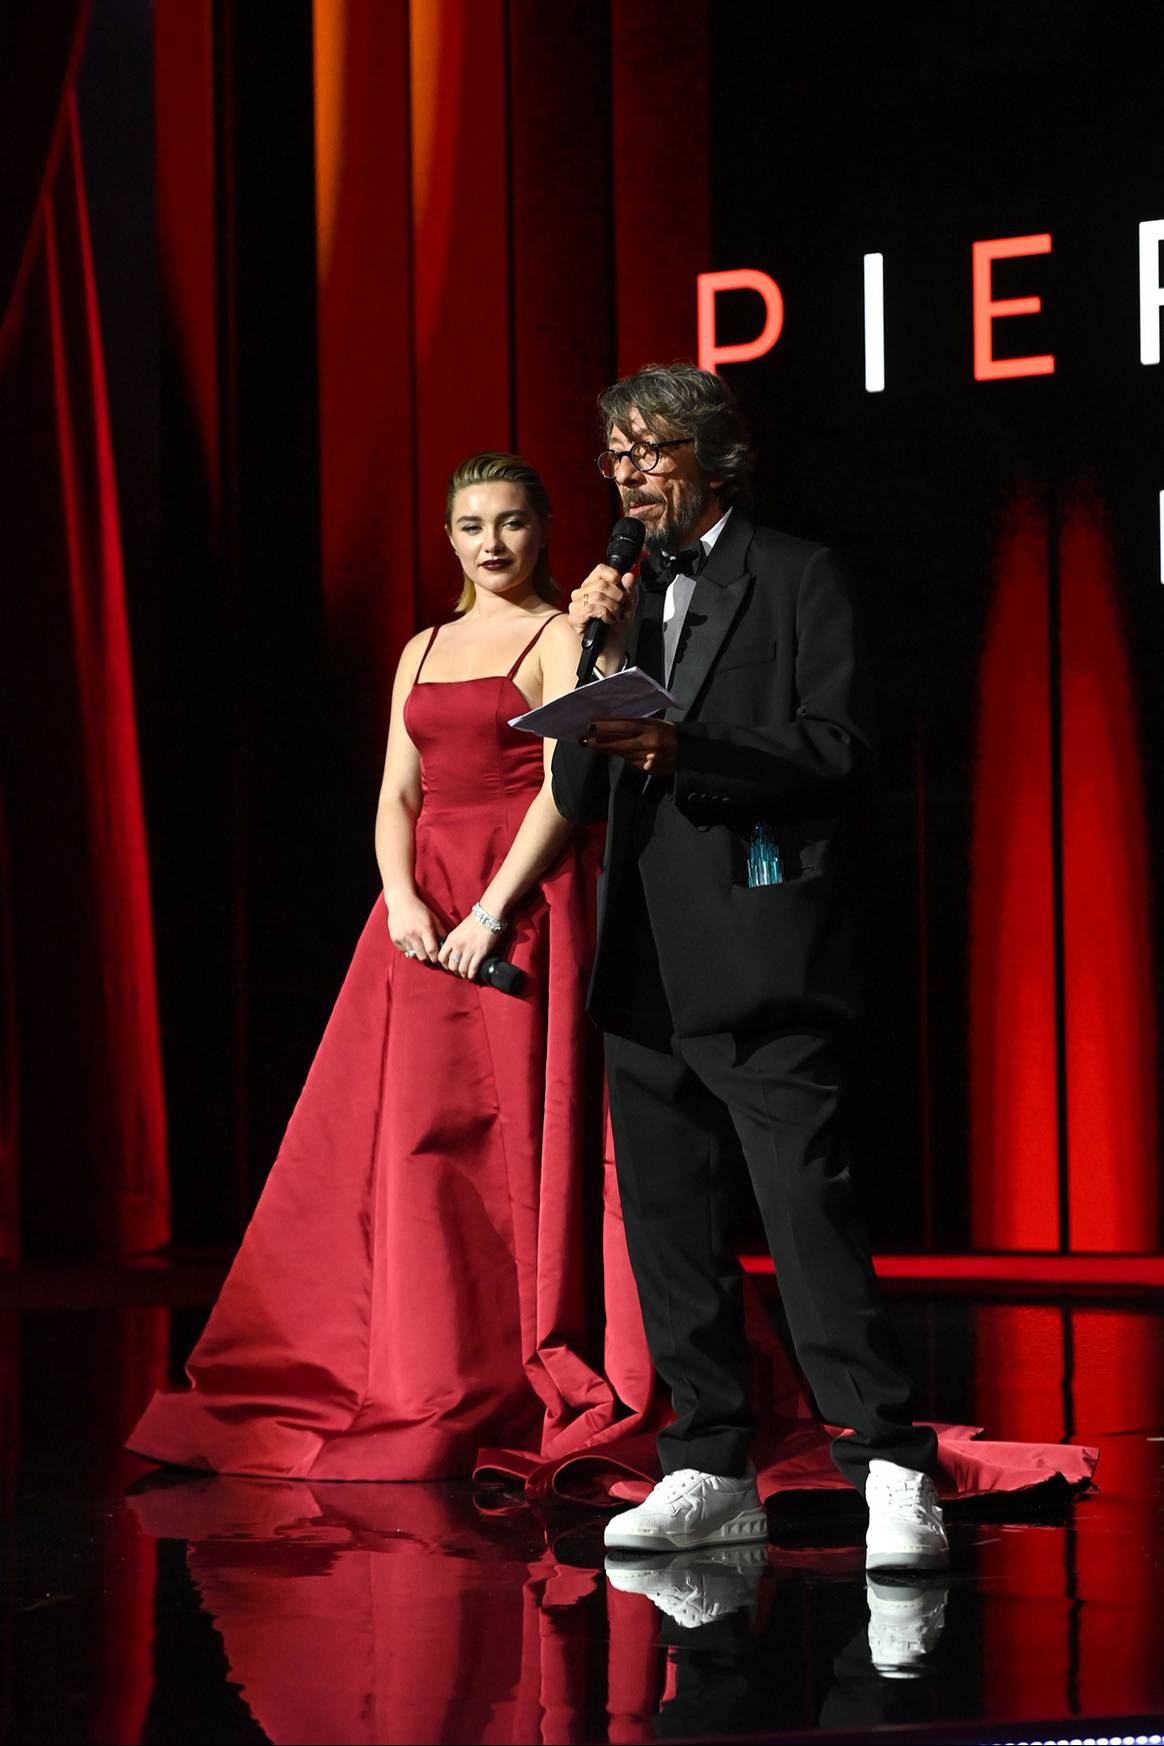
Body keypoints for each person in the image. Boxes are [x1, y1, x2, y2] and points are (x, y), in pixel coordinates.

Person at [127, 452, 655, 1481]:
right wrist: (405, 900)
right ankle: (430, 1360)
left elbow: (565, 791)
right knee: (420, 1142)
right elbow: (395, 795)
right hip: (421, 914)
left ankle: (536, 1352)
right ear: (450, 537)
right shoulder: (421, 648)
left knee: (528, 1135)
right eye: (471, 525)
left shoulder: (559, 639)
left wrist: (494, 912)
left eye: (509, 522)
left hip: (525, 900)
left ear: (543, 529)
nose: (490, 542)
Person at [551, 363, 949, 1569]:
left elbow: (838, 748)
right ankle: (707, 1466)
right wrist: (588, 652)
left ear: (719, 458)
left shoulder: (797, 575)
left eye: (654, 451)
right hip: (645, 962)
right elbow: (575, 788)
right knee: (669, 1222)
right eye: (617, 455)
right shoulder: (623, 594)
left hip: (762, 943)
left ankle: (889, 1462)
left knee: (805, 1206)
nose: (631, 475)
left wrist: (684, 744)